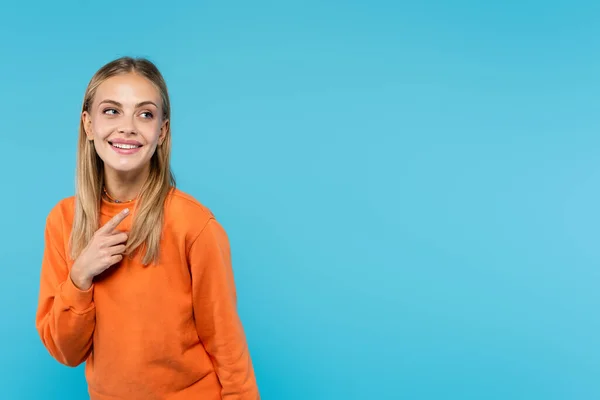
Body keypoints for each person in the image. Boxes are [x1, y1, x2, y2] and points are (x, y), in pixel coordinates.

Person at [35, 56, 260, 400]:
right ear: (88, 125)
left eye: (145, 114)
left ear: (162, 131)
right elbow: (66, 353)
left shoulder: (194, 225)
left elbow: (227, 343)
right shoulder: (63, 220)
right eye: (111, 111)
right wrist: (80, 277)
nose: (128, 127)